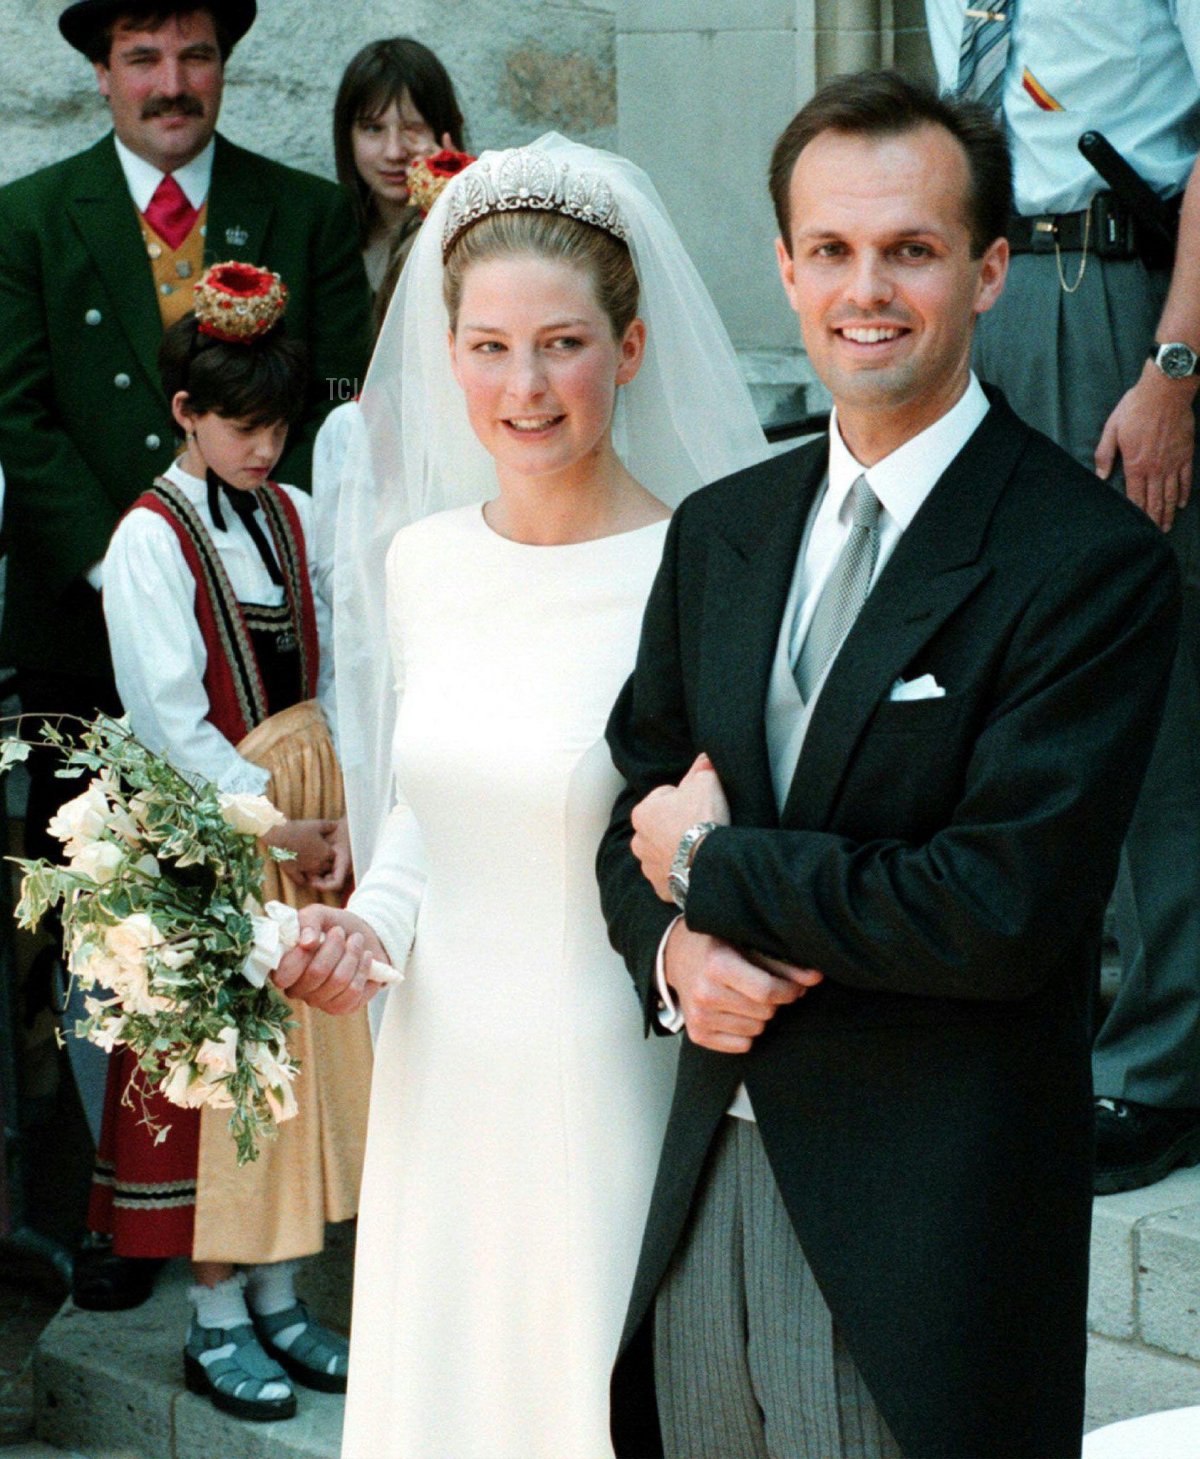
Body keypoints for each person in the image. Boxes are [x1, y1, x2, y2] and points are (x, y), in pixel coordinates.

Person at [596, 72, 1180, 1459]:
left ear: (988, 269)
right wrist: (676, 960)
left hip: (923, 1220)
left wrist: (714, 868)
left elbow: (994, 905)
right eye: (836, 250)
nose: (870, 288)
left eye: (911, 249)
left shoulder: (1085, 563)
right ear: (788, 266)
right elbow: (630, 794)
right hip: (701, 1177)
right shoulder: (722, 532)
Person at [273, 134, 772, 1459]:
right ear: (446, 355)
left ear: (633, 346)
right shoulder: (425, 560)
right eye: (488, 346)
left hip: (601, 1071)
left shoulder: (694, 566)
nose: (525, 385)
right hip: (440, 1077)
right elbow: (423, 806)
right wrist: (366, 931)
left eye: (561, 343)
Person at [0, 0, 372, 1279]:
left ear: (224, 64)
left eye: (195, 54)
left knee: (256, 963)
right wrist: (135, 566)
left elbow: (333, 419)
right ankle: (106, 1215)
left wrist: (256, 553)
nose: (173, 82)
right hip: (84, 632)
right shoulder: (27, 216)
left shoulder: (304, 213)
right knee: (112, 948)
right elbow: (18, 408)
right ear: (101, 71)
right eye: (144, 57)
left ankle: (256, 1229)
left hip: (261, 649)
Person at [925, 0, 1200, 1193]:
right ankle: (1046, 1016)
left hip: (1113, 291)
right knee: (1002, 679)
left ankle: (1158, 1066)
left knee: (1142, 685)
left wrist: (1175, 369)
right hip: (982, 293)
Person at [95, 260, 372, 1422]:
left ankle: (280, 1287)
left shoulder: (296, 512)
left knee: (301, 1063)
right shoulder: (149, 543)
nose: (265, 447)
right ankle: (215, 1316)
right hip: (214, 830)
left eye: (277, 425)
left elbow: (345, 651)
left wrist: (341, 812)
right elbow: (169, 720)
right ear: (185, 416)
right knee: (227, 1077)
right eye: (241, 426)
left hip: (311, 815)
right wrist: (273, 823)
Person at [333, 36, 465, 296]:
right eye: (373, 129)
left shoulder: (473, 236)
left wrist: (453, 208)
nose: (394, 152)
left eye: (413, 129)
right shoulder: (332, 240)